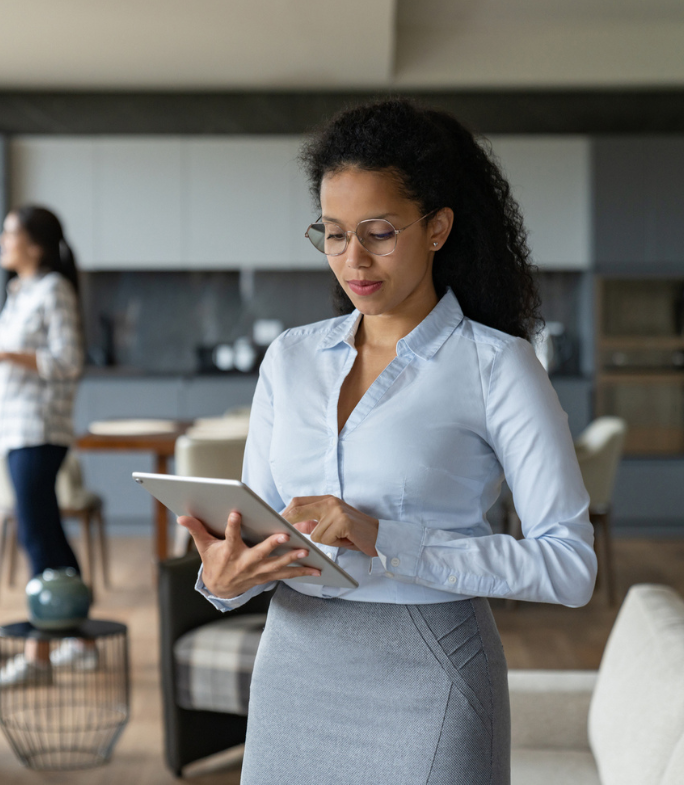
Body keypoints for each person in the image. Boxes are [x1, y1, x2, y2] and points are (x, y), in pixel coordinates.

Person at [177, 99, 597, 784]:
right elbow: (262, 525)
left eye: (378, 232)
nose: (354, 259)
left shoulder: (496, 366)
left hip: (429, 673)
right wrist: (224, 581)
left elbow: (571, 568)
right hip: (294, 665)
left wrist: (385, 538)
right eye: (334, 235)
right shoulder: (290, 358)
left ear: (437, 227)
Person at [0, 205, 89, 688]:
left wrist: (1, 354)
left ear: (34, 245)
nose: (0, 239)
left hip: (37, 430)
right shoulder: (21, 293)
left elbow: (68, 360)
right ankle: (77, 639)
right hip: (11, 432)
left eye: (9, 233)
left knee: (37, 539)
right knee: (48, 538)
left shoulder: (54, 290)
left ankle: (40, 653)